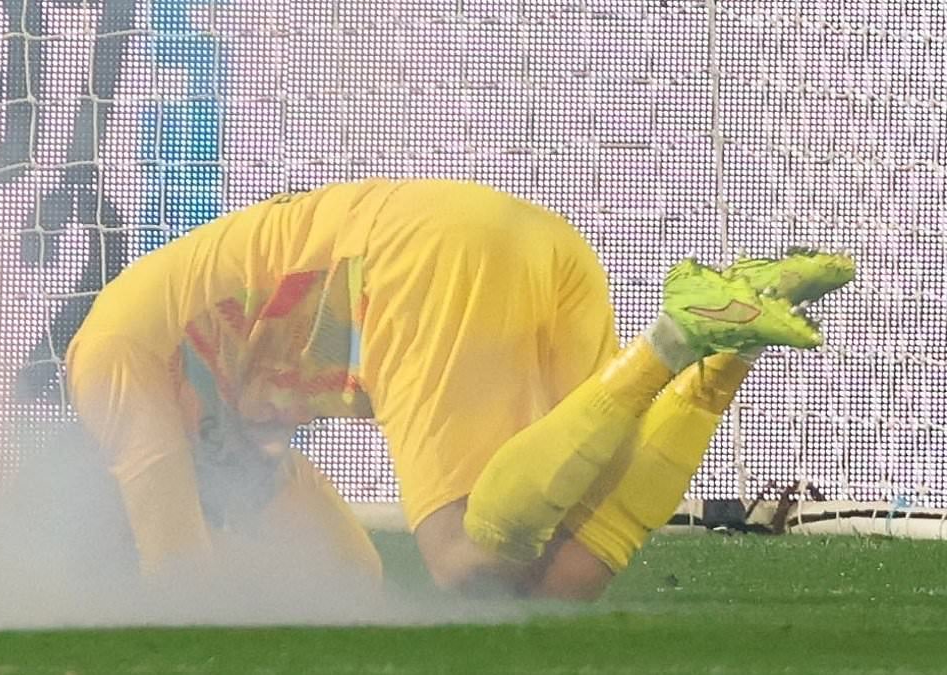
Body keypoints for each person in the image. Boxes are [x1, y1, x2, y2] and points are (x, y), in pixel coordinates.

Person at [65, 179, 854, 599]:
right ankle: (722, 348)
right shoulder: (229, 430)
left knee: (463, 556)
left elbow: (177, 584)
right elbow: (349, 575)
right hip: (519, 239)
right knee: (567, 573)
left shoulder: (108, 361)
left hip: (414, 260)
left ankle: (672, 338)